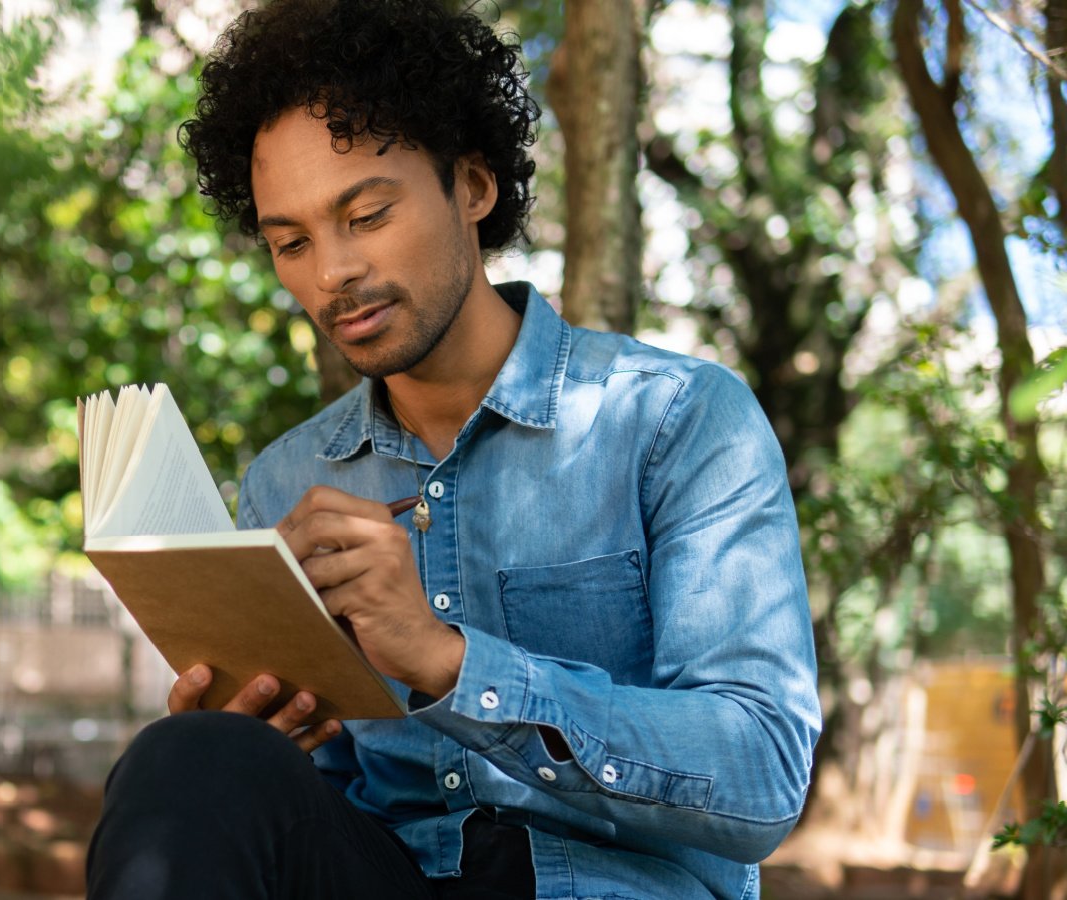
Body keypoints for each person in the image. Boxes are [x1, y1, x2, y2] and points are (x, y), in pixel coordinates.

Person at [85, 0, 821, 897]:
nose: (331, 273)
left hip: (605, 887)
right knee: (191, 758)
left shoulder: (674, 420)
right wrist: (258, 746)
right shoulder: (287, 479)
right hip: (386, 877)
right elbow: (316, 809)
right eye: (291, 242)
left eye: (365, 215)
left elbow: (764, 778)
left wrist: (447, 660)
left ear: (472, 187)